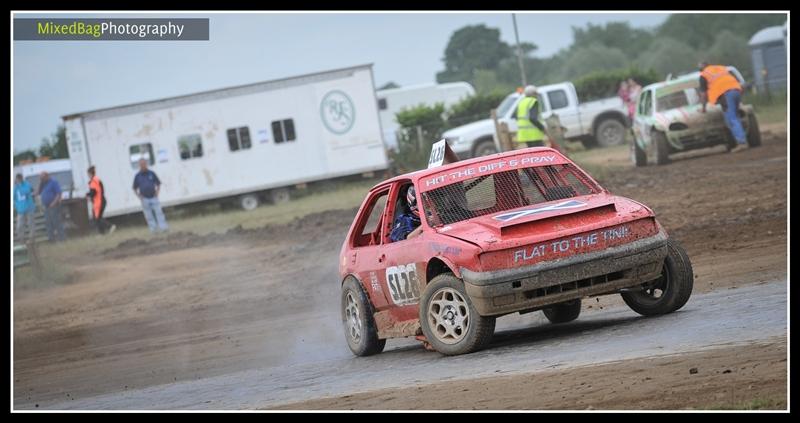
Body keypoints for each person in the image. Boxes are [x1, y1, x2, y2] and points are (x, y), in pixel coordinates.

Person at [698, 62, 748, 153]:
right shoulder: (721, 68)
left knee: (731, 118)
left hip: (725, 94)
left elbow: (703, 94)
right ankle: (741, 139)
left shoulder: (703, 75)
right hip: (736, 90)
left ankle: (742, 142)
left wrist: (703, 108)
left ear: (701, 69)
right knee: (734, 117)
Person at [133, 159, 169, 233]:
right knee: (149, 215)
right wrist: (139, 196)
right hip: (144, 199)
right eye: (141, 164)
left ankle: (163, 228)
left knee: (159, 213)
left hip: (153, 197)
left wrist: (157, 192)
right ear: (139, 166)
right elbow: (134, 188)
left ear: (146, 164)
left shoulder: (151, 173)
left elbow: (158, 183)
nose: (143, 166)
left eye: (144, 164)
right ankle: (153, 230)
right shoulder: (137, 176)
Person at [87, 166, 116, 235]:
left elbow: (93, 192)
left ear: (90, 173)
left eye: (88, 174)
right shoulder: (98, 180)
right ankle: (103, 232)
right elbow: (101, 190)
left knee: (97, 218)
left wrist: (88, 195)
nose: (88, 176)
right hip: (102, 200)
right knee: (97, 218)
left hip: (98, 202)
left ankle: (109, 227)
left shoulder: (93, 181)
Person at [38, 171, 66, 242]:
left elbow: (58, 193)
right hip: (46, 206)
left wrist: (53, 203)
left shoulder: (53, 182)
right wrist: (40, 183)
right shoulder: (43, 184)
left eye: (43, 178)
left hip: (54, 205)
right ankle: (51, 239)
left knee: (56, 222)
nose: (42, 179)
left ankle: (62, 238)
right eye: (41, 178)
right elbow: (38, 192)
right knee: (48, 223)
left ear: (47, 176)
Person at [14, 173, 37, 242]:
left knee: (30, 224)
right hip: (20, 210)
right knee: (19, 225)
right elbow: (13, 197)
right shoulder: (15, 188)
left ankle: (32, 238)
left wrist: (19, 186)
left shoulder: (27, 184)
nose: (17, 180)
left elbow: (26, 192)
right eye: (17, 179)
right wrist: (15, 206)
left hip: (29, 208)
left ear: (21, 178)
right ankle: (21, 239)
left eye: (19, 179)